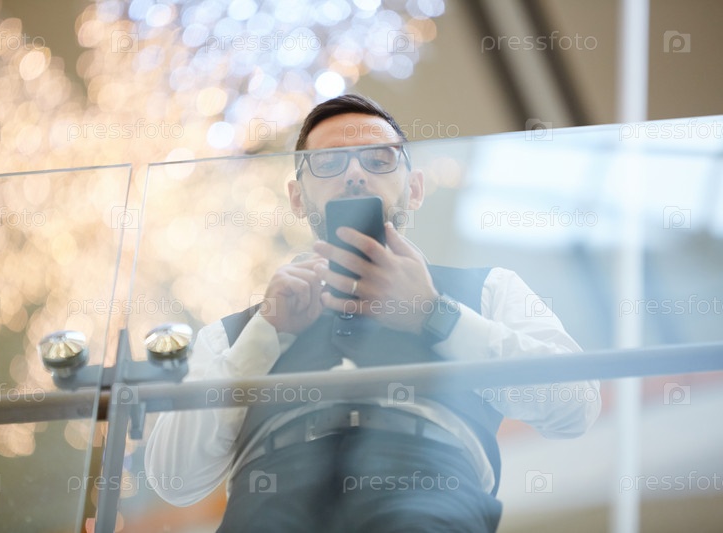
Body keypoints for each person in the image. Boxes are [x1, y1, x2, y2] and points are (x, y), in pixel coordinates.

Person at [145, 94, 601, 532]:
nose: (355, 174)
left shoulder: (490, 290)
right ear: (297, 198)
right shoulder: (232, 335)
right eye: (328, 163)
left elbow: (576, 404)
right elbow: (173, 478)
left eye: (379, 160)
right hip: (271, 493)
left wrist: (434, 314)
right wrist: (264, 334)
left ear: (414, 188)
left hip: (430, 485)